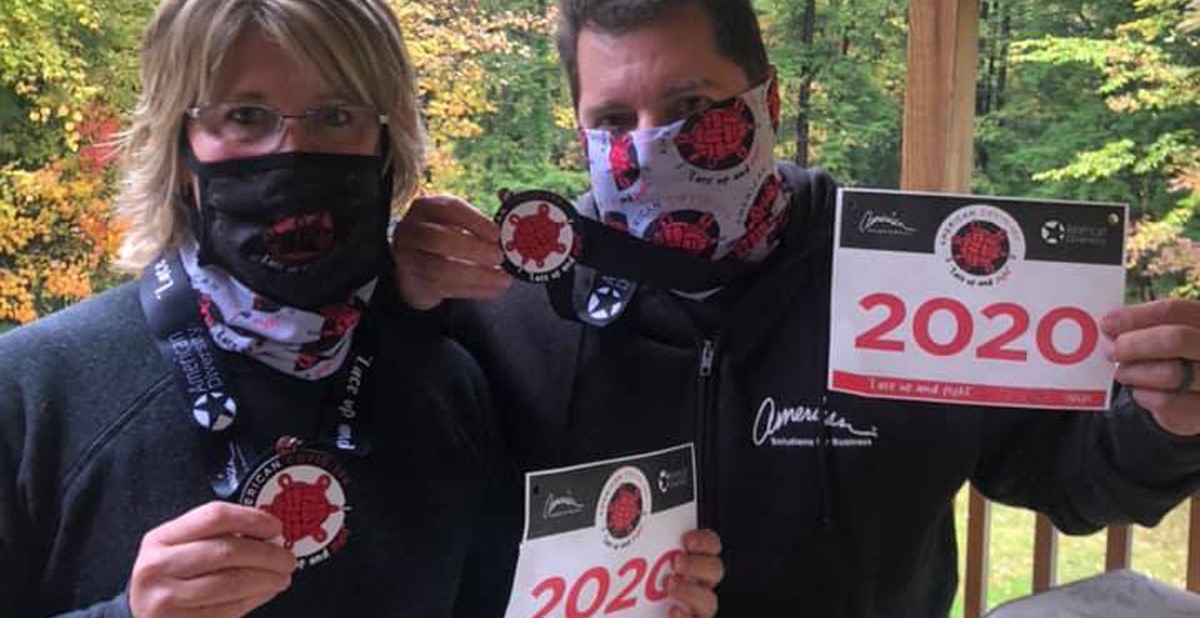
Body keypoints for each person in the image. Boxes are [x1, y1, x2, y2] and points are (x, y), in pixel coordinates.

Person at [390, 0, 1200, 615]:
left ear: (766, 103)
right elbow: (410, 502)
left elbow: (1072, 476)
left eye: (689, 107)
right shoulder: (512, 297)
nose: (648, 145)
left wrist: (1167, 421)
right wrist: (402, 303)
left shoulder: (908, 280)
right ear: (580, 133)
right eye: (611, 121)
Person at [0, 0, 509, 616]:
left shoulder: (447, 385)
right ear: (178, 147)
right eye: (244, 116)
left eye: (336, 115)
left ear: (386, 144)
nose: (292, 150)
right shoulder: (31, 390)